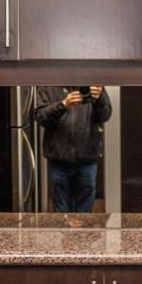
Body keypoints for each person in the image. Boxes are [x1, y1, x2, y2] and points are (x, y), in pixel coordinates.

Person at [34, 85, 112, 213]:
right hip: (58, 159)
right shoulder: (49, 84)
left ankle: (82, 233)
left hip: (87, 158)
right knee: (61, 213)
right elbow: (40, 117)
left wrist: (100, 97)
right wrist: (63, 105)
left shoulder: (92, 83)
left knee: (85, 213)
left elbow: (105, 115)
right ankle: (65, 233)